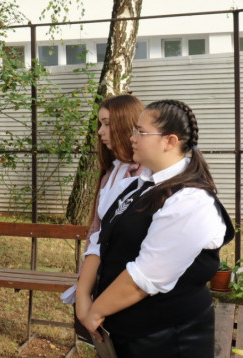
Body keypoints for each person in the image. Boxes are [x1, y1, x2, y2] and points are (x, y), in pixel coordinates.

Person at [77, 99, 234, 357]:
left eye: (140, 131)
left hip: (167, 341)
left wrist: (94, 311)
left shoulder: (191, 200)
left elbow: (144, 278)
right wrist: (83, 297)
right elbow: (101, 239)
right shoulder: (136, 186)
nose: (132, 138)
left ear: (169, 141)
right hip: (127, 336)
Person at [63, 95, 145, 306]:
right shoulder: (111, 171)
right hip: (101, 274)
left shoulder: (145, 174)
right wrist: (84, 285)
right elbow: (96, 232)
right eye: (100, 124)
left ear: (126, 125)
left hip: (127, 283)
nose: (100, 131)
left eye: (107, 124)